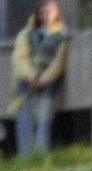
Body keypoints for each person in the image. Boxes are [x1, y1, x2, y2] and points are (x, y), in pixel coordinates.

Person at [8, 0, 67, 158]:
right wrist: (31, 76)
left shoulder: (60, 35)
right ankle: (26, 159)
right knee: (24, 120)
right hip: (24, 84)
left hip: (47, 85)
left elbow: (58, 62)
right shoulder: (25, 34)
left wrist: (45, 79)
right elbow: (20, 58)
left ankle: (41, 157)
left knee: (44, 121)